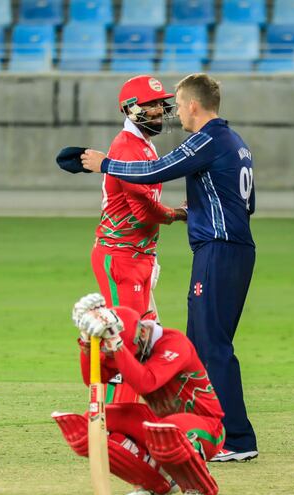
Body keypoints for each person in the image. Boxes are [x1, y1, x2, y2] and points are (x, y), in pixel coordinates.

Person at [81, 73, 258, 462]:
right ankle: (188, 428)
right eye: (159, 105)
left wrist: (104, 165)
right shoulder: (235, 141)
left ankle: (234, 438)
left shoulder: (204, 139)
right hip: (180, 251)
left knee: (202, 344)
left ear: (193, 105)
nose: (169, 111)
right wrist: (186, 215)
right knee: (179, 341)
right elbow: (249, 202)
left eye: (173, 104)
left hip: (215, 249)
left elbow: (153, 175)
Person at [52, 293, 226, 495]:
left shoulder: (174, 342)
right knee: (95, 422)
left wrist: (117, 345)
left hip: (207, 427)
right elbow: (92, 380)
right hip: (159, 422)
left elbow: (146, 382)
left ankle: (198, 487)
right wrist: (87, 343)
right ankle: (155, 483)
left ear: (144, 332)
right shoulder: (129, 345)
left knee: (167, 430)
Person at [91, 75, 187, 404]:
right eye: (152, 105)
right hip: (121, 256)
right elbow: (143, 210)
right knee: (128, 341)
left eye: (161, 105)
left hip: (138, 255)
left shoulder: (144, 144)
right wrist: (175, 214)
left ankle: (142, 421)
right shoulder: (127, 147)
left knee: (146, 341)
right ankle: (116, 425)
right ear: (131, 110)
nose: (160, 111)